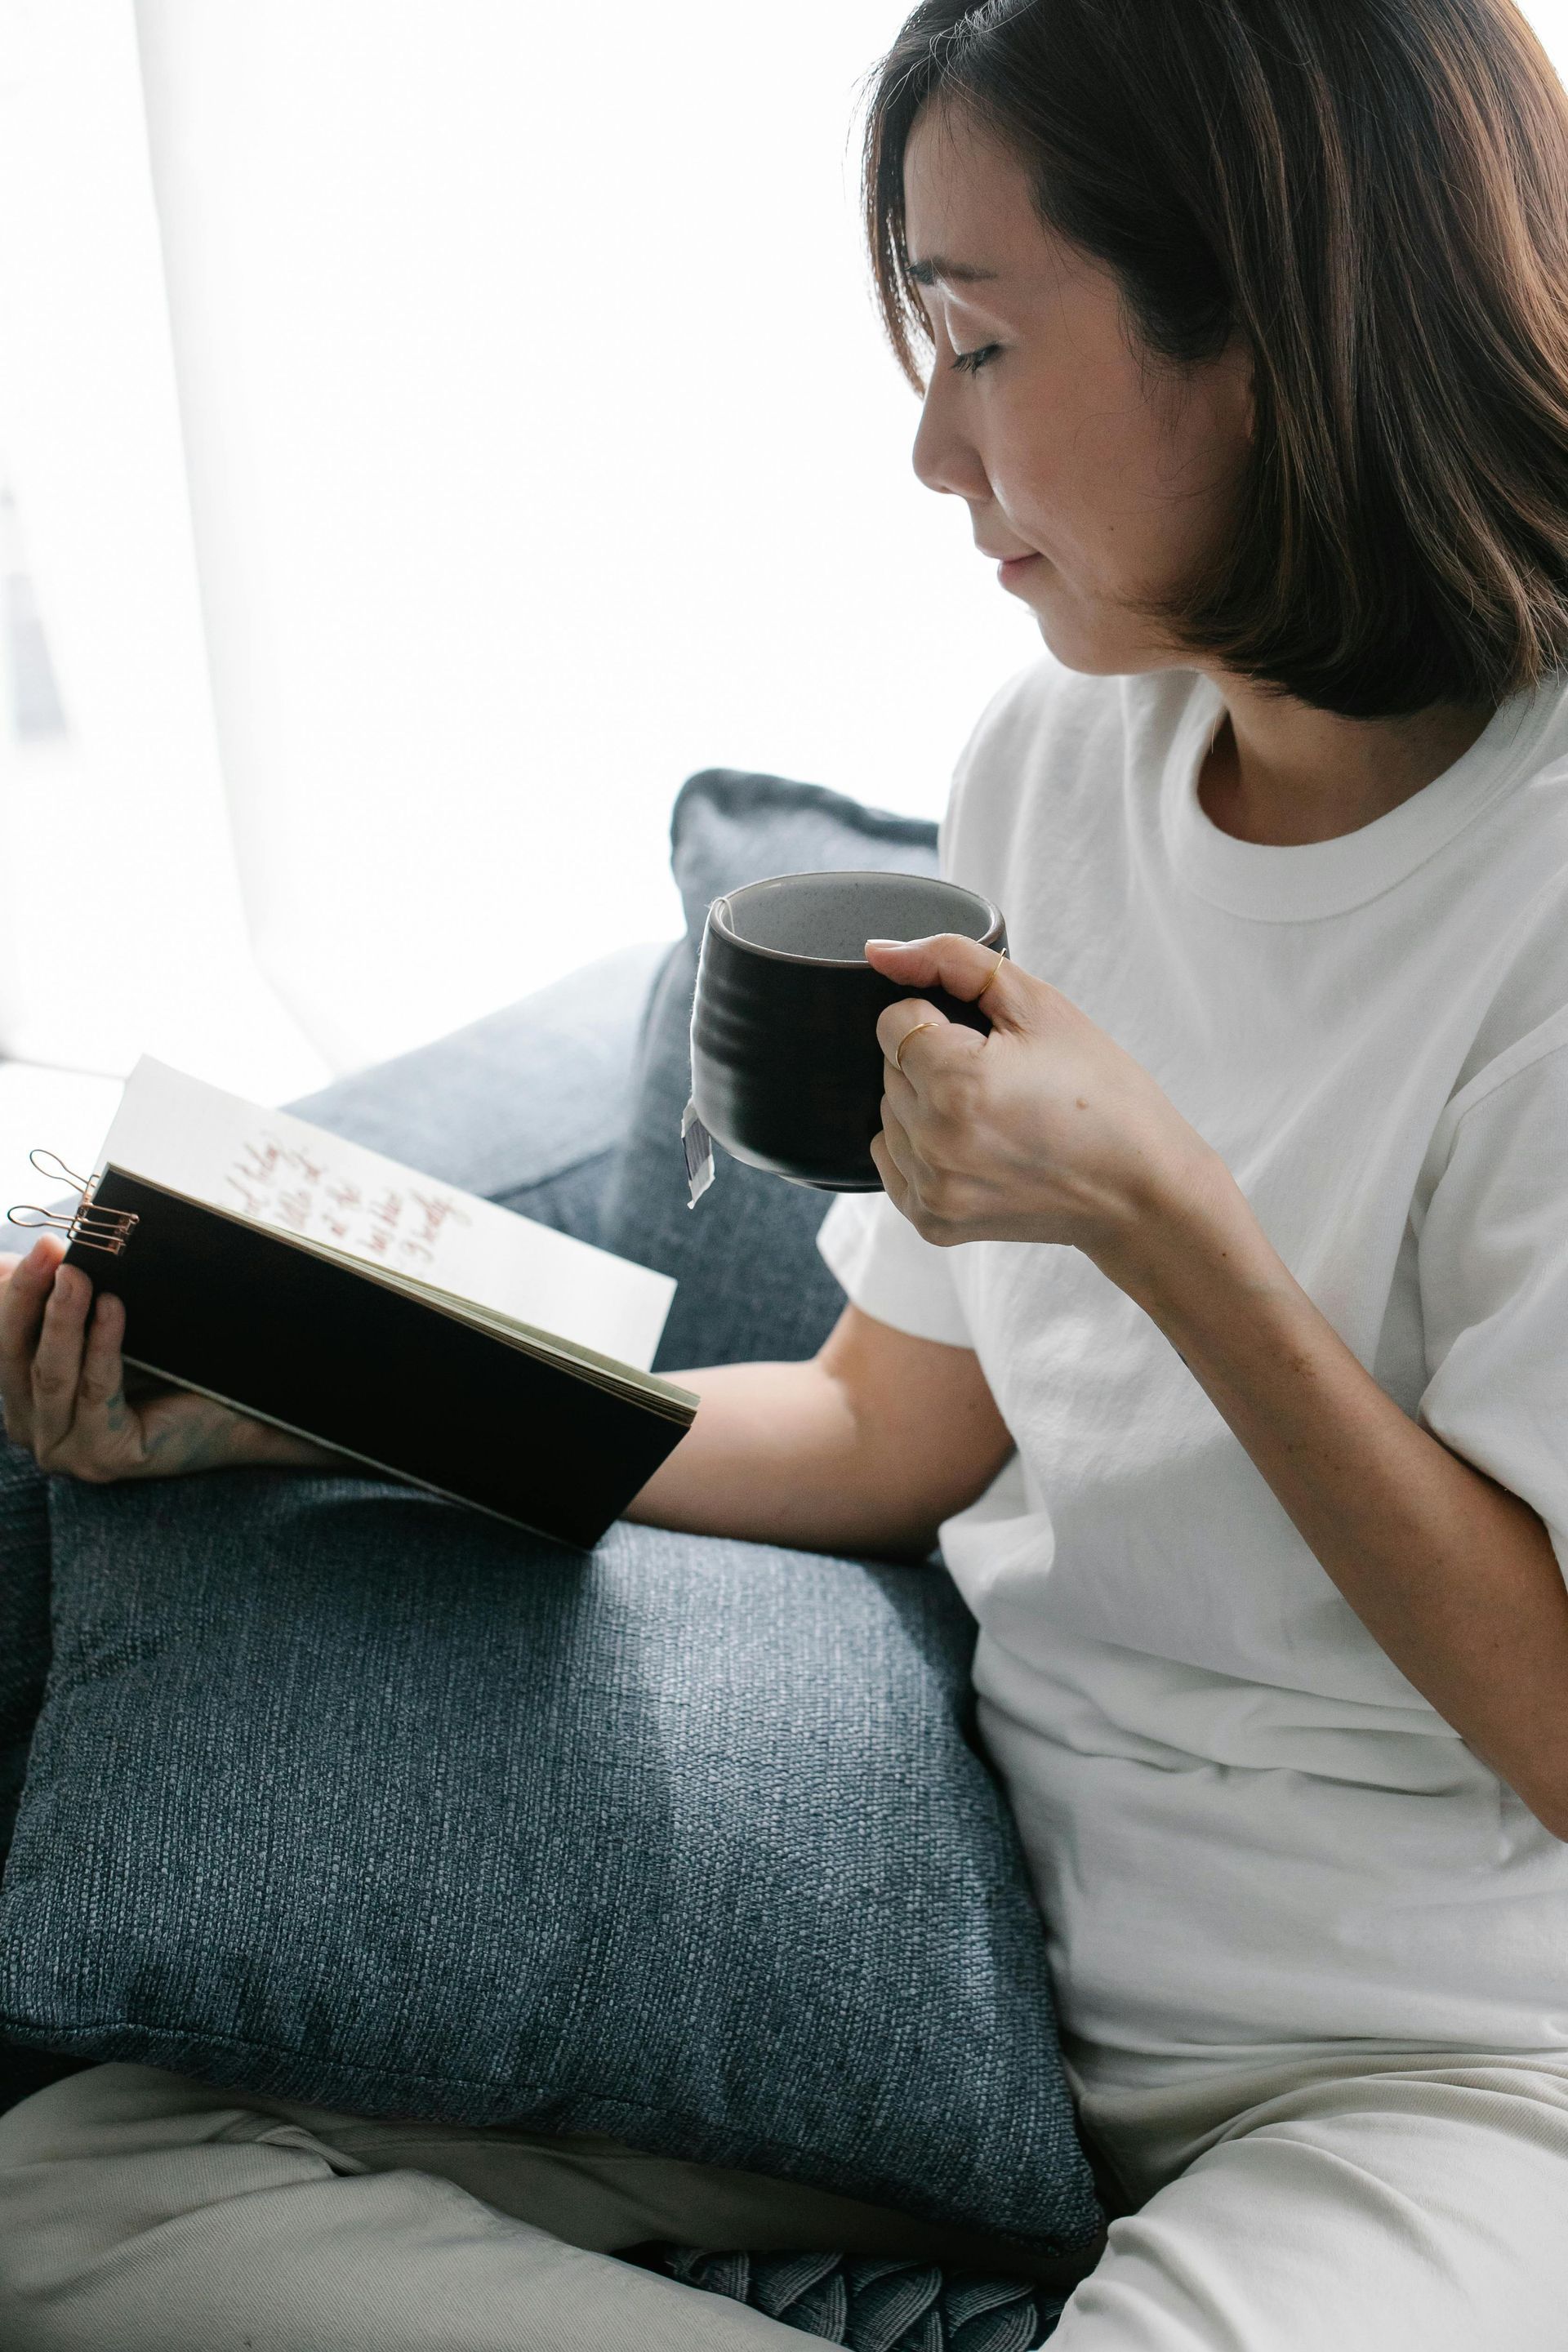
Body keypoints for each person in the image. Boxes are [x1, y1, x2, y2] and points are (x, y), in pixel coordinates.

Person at [4, 0, 1568, 2343]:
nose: (932, 448)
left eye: (976, 340)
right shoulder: (1057, 769)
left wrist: (1165, 1224)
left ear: (1266, 318)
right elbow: (888, 1420)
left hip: (1428, 2069)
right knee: (84, 2189)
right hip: (987, 1977)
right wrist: (309, 1406)